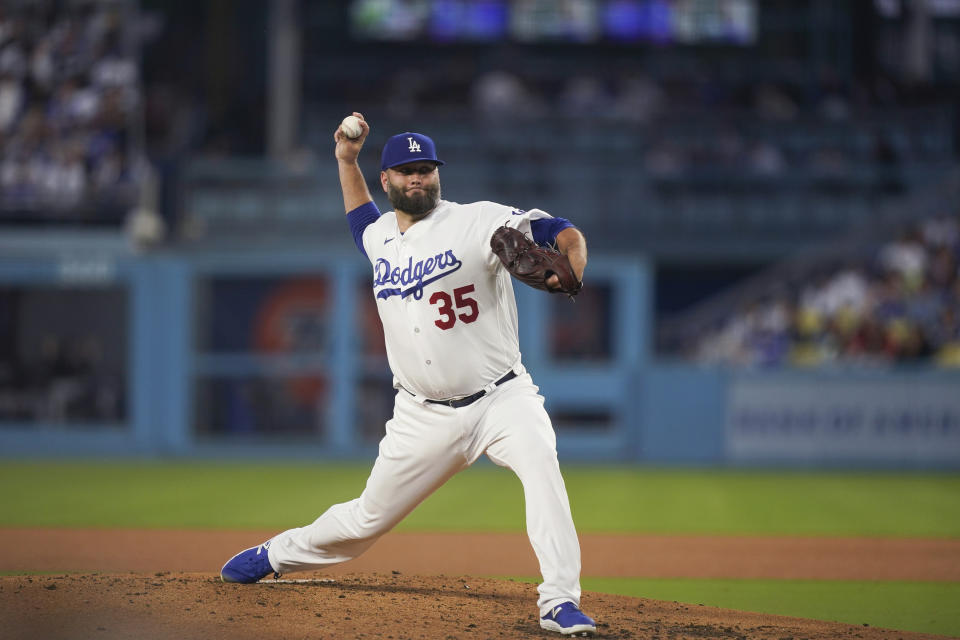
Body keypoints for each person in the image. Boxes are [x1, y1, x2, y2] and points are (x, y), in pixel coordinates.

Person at [219, 113, 596, 636]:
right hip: (421, 416)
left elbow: (558, 230)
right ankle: (277, 553)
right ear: (388, 180)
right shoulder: (379, 238)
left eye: (425, 169)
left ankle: (559, 601)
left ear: (438, 175)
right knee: (364, 522)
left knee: (543, 471)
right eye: (405, 171)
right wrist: (345, 160)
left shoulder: (478, 219)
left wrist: (574, 261)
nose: (417, 178)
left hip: (501, 399)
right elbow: (359, 222)